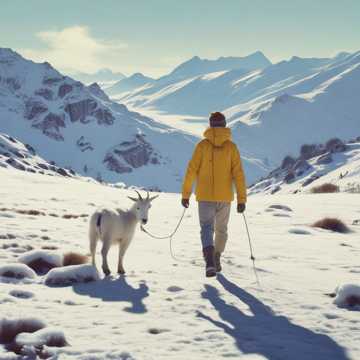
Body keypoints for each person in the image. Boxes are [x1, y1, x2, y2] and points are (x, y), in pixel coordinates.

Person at [181, 112, 247, 277]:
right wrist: (241, 199)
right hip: (225, 198)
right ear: (224, 125)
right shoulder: (232, 147)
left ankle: (209, 260)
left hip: (204, 197)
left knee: (206, 228)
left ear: (210, 126)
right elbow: (238, 174)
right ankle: (216, 257)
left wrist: (186, 194)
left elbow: (191, 171)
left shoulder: (202, 146)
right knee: (221, 230)